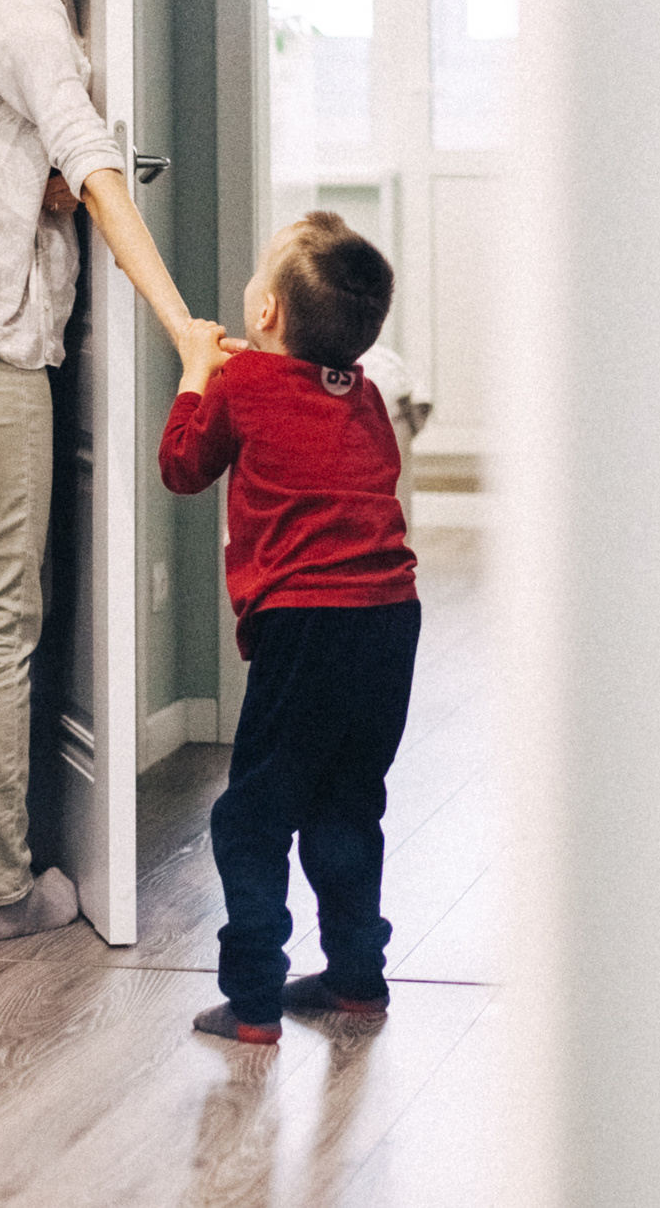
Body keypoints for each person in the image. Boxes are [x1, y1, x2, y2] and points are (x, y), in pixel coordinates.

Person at [0, 0, 227, 941]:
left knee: (1, 611)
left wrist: (46, 192)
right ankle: (2, 888)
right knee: (5, 616)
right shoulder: (19, 7)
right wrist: (183, 326)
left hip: (4, 325)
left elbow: (24, 157)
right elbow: (95, 161)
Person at [159, 211, 421, 1044]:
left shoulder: (243, 384)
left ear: (266, 315)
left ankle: (254, 998)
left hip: (307, 621)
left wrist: (197, 370)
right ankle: (354, 977)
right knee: (348, 803)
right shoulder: (370, 395)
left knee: (254, 814)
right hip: (389, 619)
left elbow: (182, 466)